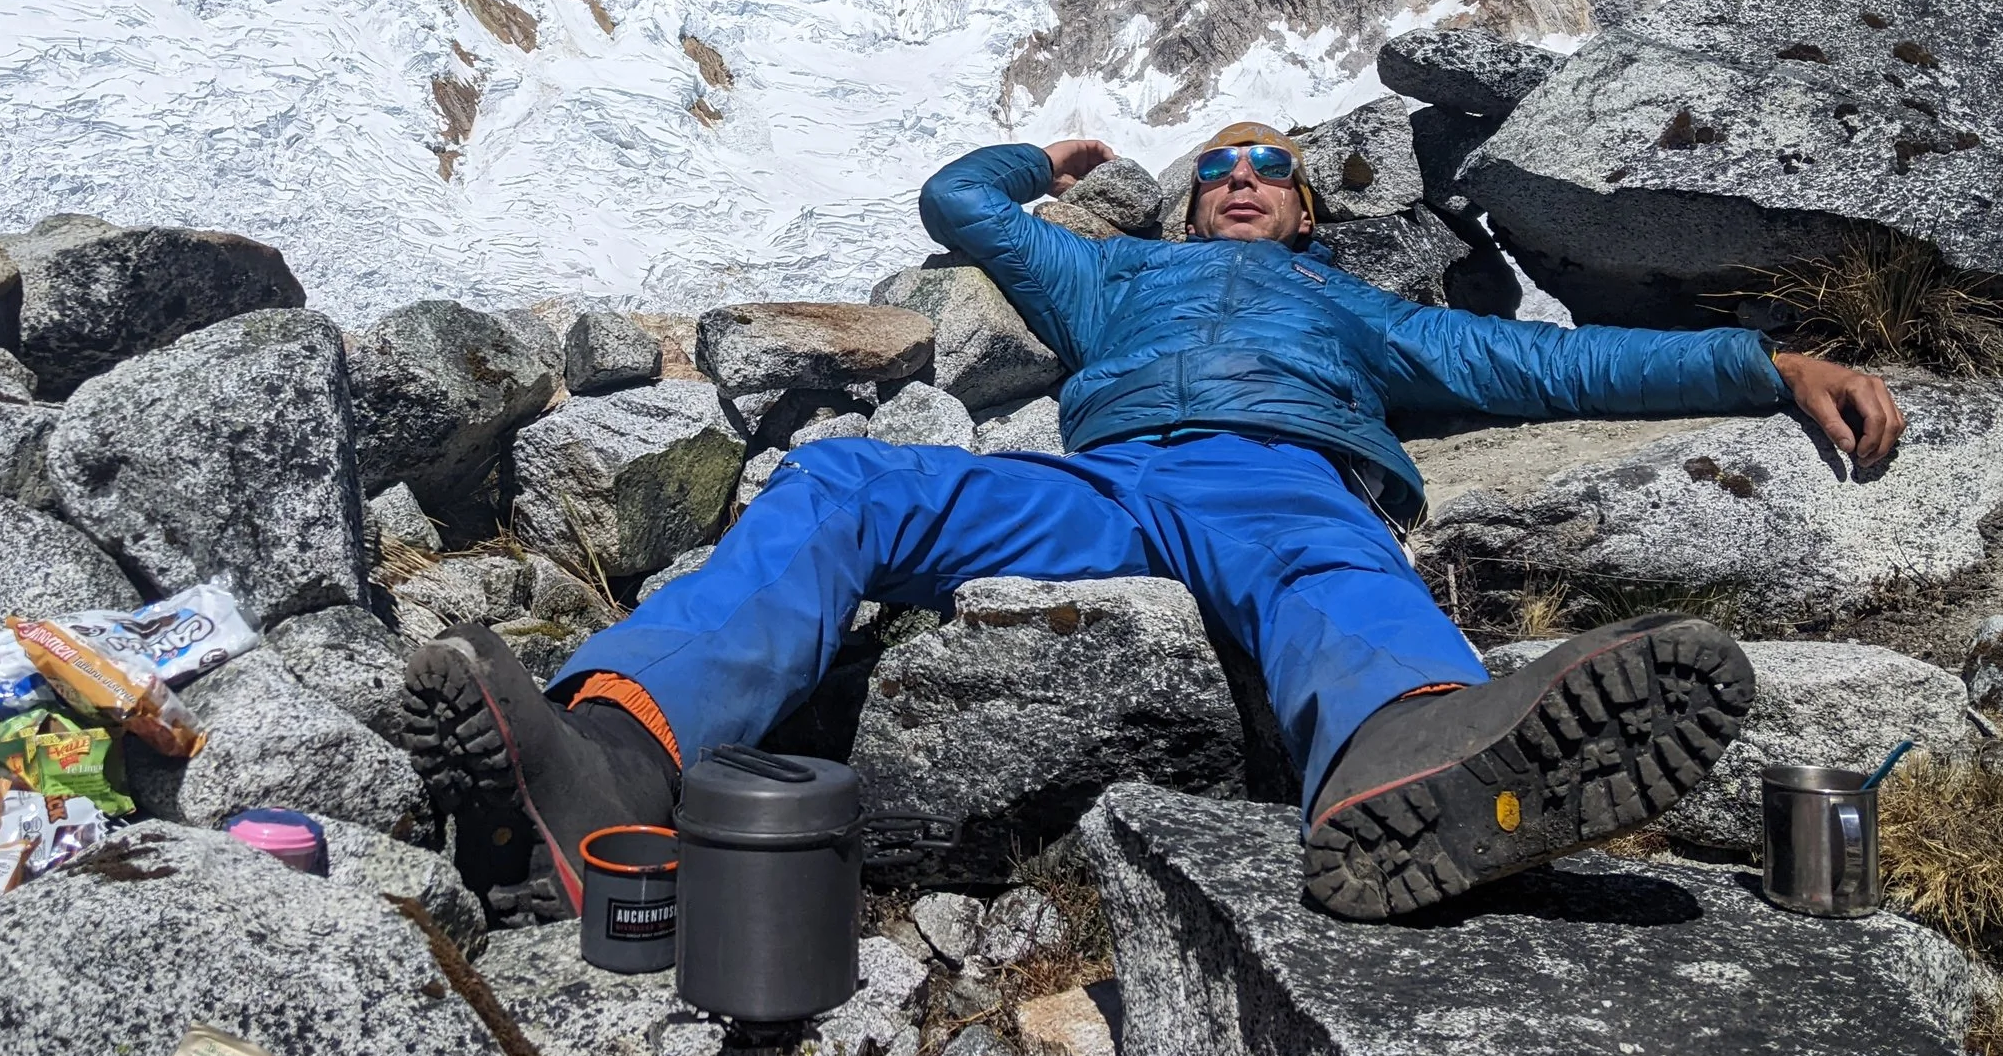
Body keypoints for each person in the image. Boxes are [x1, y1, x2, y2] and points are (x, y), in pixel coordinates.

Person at [403, 123, 1903, 922]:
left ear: (1306, 212)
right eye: (1218, 170)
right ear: (1188, 209)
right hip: (1103, 485)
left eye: (1271, 169)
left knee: (1327, 559)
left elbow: (1559, 365)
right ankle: (613, 762)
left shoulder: (1360, 312)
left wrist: (1766, 367)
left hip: (1278, 477)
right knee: (845, 479)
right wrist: (1042, 170)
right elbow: (959, 205)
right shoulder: (1114, 274)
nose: (1242, 180)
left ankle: (1415, 758)